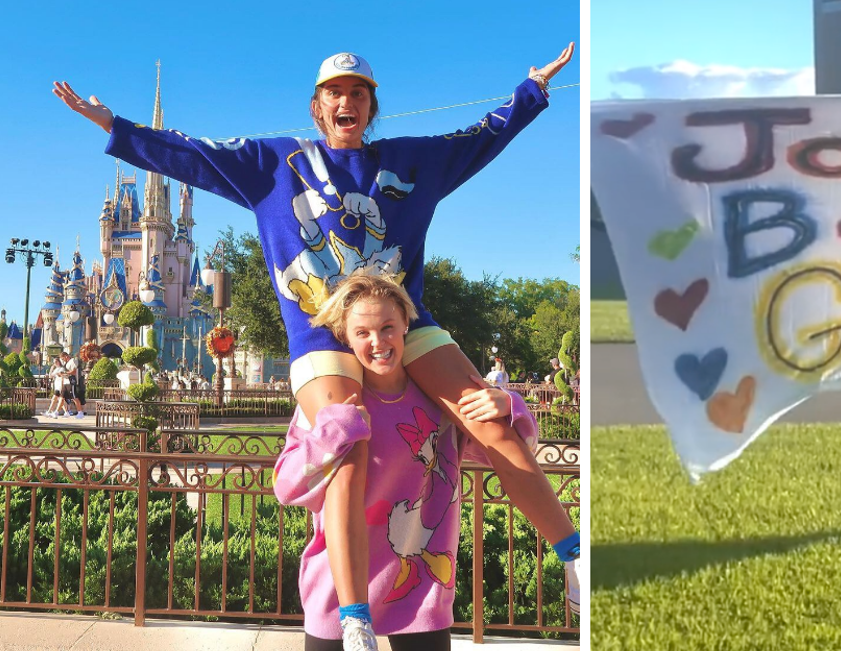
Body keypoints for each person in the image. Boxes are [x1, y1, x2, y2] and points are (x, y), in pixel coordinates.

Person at [53, 46, 582, 648]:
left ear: (371, 105)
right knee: (346, 438)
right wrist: (114, 126)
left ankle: (574, 558)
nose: (346, 101)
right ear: (317, 105)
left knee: (488, 417)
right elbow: (193, 157)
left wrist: (532, 89)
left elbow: (477, 140)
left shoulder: (412, 164)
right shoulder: (273, 164)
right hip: (320, 332)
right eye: (335, 91)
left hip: (399, 321)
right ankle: (353, 616)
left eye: (358, 92)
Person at [275, 271, 553, 650]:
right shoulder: (329, 405)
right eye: (363, 333)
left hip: (421, 590)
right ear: (345, 337)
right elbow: (288, 487)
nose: (378, 342)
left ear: (407, 323)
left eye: (388, 327)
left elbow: (511, 456)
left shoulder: (438, 400)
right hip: (338, 598)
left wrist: (510, 405)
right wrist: (333, 431)